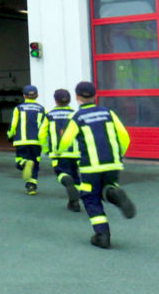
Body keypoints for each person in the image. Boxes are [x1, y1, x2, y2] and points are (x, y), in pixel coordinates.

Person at [57, 81, 136, 249]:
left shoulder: (76, 117)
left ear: (77, 97)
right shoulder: (108, 113)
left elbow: (65, 141)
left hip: (90, 166)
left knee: (90, 198)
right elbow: (124, 137)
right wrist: (118, 155)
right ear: (95, 95)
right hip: (113, 163)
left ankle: (102, 235)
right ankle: (113, 193)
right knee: (107, 187)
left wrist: (58, 151)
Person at [38, 88, 81, 212]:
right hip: (75, 152)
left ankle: (65, 180)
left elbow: (41, 134)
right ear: (70, 100)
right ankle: (74, 202)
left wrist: (46, 149)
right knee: (75, 176)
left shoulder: (49, 116)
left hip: (58, 152)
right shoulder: (75, 114)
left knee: (62, 173)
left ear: (55, 101)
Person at [7, 85, 45, 195]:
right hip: (36, 142)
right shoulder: (42, 109)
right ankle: (31, 187)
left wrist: (9, 134)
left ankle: (24, 163)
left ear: (24, 96)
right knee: (35, 164)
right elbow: (44, 126)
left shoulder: (18, 108)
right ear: (37, 96)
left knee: (20, 161)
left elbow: (13, 124)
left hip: (21, 141)